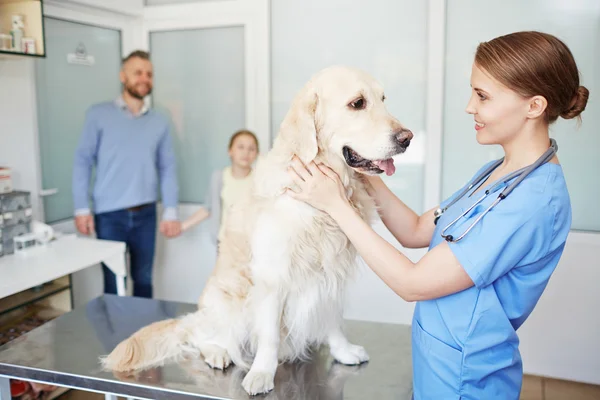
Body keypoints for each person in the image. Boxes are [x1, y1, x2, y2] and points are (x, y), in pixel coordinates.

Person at [286, 31, 589, 399]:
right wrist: (366, 171)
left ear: (534, 106)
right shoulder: (499, 172)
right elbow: (415, 230)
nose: (469, 107)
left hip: (467, 382)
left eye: (482, 96)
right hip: (437, 367)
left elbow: (413, 283)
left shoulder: (534, 201)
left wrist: (336, 205)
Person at [72, 50, 182, 299]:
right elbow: (82, 162)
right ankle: (115, 339)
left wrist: (171, 210)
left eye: (149, 74)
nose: (144, 78)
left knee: (144, 281)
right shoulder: (98, 115)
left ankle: (143, 338)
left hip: (146, 215)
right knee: (114, 285)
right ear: (123, 76)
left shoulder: (160, 121)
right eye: (138, 73)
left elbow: (167, 167)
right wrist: (81, 208)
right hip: (109, 216)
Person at [181, 129, 259, 246]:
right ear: (230, 151)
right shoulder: (219, 177)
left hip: (252, 245)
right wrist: (181, 227)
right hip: (225, 243)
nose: (246, 153)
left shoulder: (260, 180)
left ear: (257, 154)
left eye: (251, 149)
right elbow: (208, 208)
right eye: (240, 147)